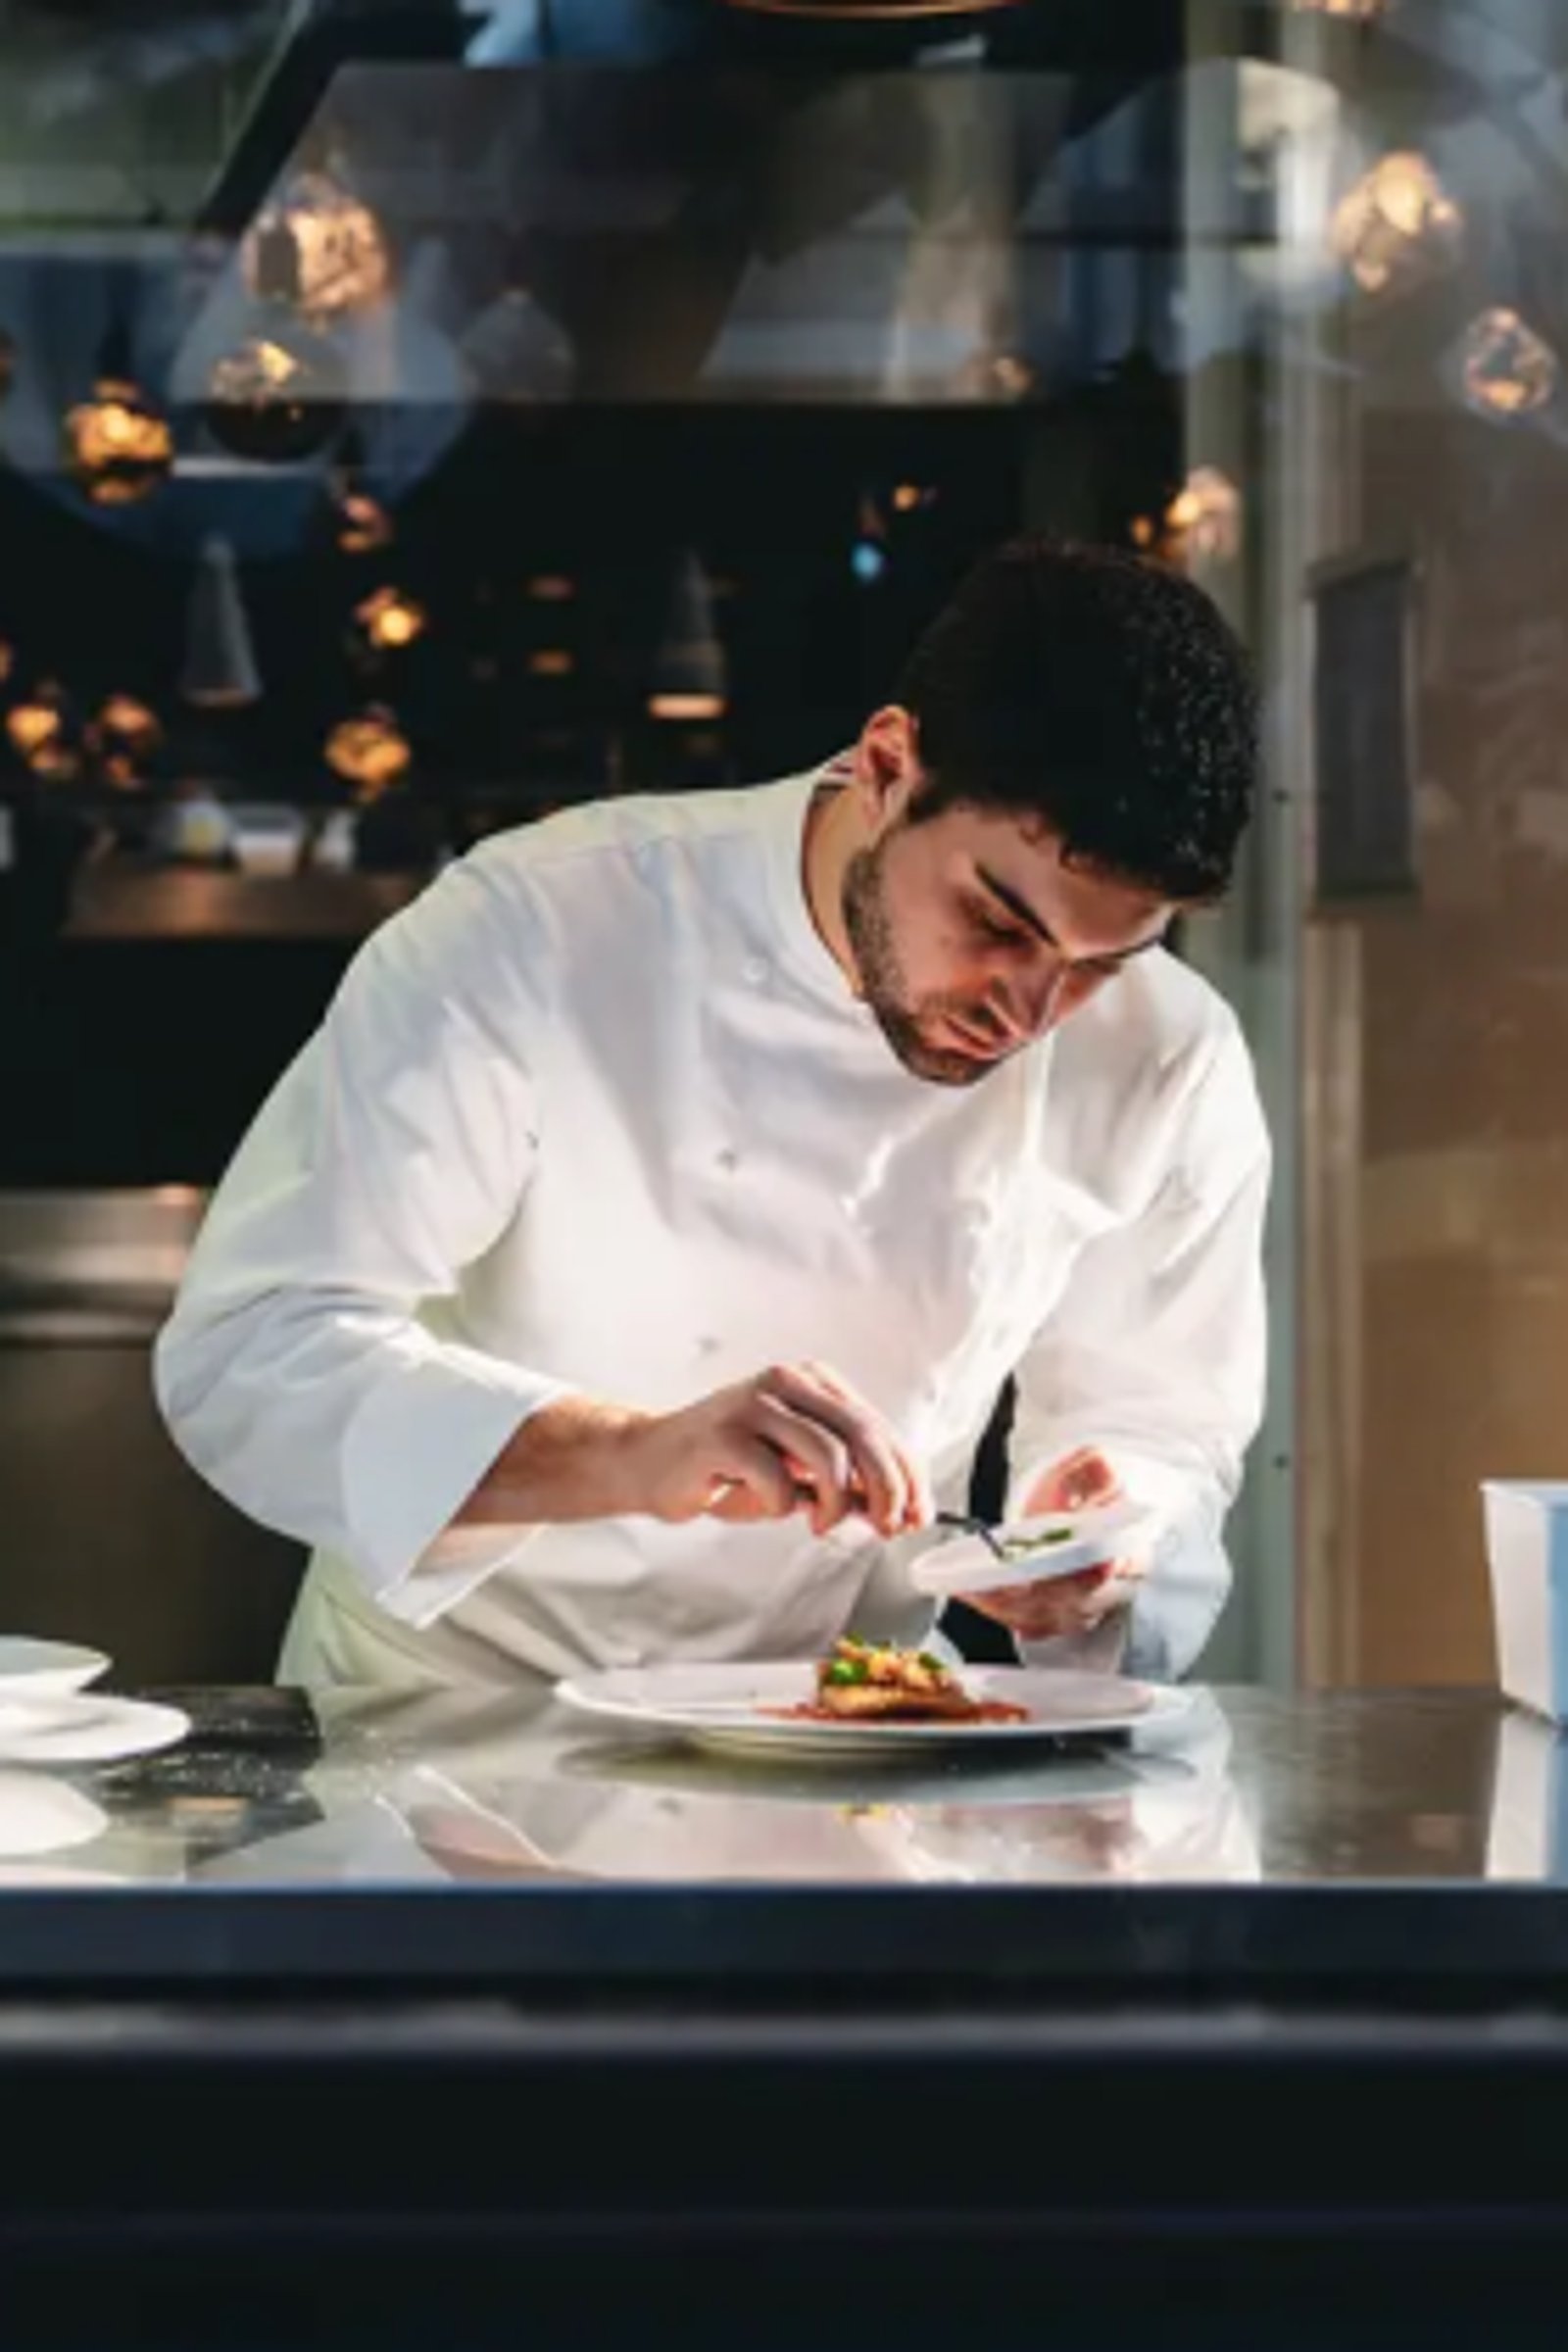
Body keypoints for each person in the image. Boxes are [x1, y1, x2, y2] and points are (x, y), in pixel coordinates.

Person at [154, 537, 1270, 1691]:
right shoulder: (541, 928)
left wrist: (1101, 1540)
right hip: (449, 1725)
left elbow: (1162, 1420)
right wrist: (630, 1455)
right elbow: (255, 1346)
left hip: (844, 1731)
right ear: (887, 767)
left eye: (1103, 961)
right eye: (997, 924)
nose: (1033, 1012)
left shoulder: (1167, 1055)